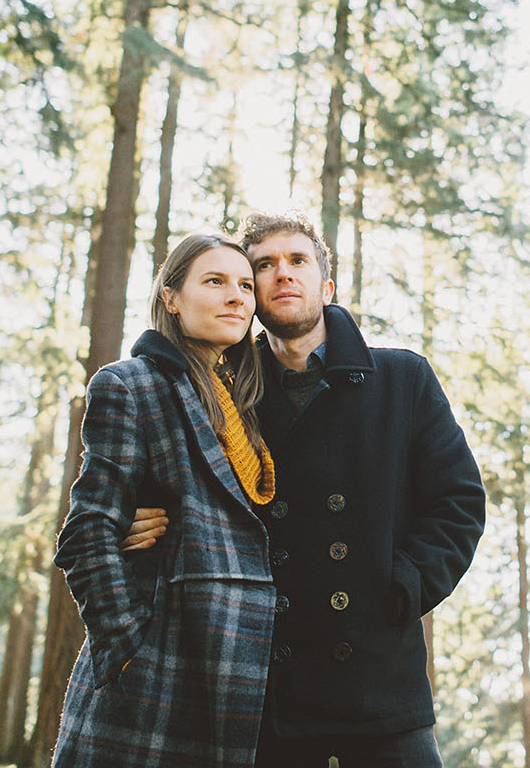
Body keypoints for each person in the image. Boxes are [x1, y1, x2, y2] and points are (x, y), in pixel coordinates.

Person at [131, 211, 486, 768]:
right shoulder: (228, 396)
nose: (282, 275)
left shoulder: (402, 379)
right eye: (263, 267)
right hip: (271, 686)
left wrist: (405, 584)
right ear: (250, 295)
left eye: (297, 260)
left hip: (379, 678)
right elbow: (182, 486)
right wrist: (141, 514)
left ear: (326, 284)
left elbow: (458, 501)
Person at [52, 233, 277, 768]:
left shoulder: (245, 404)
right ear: (171, 297)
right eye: (215, 281)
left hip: (237, 670)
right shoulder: (131, 385)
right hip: (157, 673)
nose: (237, 297)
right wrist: (127, 646)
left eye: (245, 286)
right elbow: (87, 533)